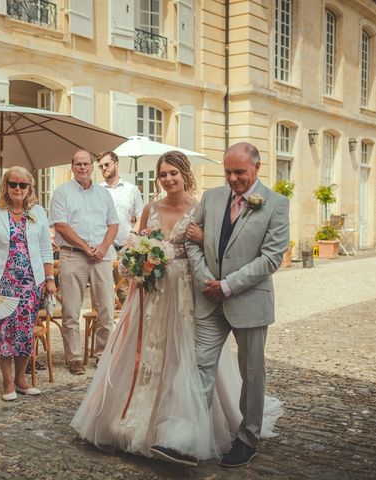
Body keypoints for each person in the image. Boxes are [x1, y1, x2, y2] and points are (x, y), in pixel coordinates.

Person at [72, 151, 259, 465]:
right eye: (163, 174)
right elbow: (137, 242)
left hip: (187, 292)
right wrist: (138, 261)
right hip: (152, 294)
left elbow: (216, 252)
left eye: (174, 173)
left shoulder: (201, 208)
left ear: (185, 174)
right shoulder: (149, 208)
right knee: (147, 351)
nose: (169, 179)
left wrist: (202, 238)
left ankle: (179, 429)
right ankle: (134, 420)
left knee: (184, 354)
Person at [186, 142, 289, 468]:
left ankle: (248, 438)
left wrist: (227, 286)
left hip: (249, 302)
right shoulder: (212, 197)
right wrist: (207, 282)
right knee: (200, 367)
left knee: (251, 373)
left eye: (240, 172)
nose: (233, 178)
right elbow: (193, 240)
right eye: (228, 171)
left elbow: (271, 258)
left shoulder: (276, 204)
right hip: (208, 301)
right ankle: (192, 435)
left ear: (257, 168)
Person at [0, 166, 55, 401]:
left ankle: (22, 379)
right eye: (13, 184)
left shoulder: (38, 212)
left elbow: (45, 248)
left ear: (30, 187)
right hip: (3, 282)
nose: (18, 189)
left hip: (31, 283)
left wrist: (49, 279)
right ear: (6, 186)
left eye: (23, 185)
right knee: (2, 332)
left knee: (24, 332)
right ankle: (8, 382)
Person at [49, 150, 119, 375]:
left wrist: (103, 248)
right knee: (71, 311)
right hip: (72, 256)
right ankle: (75, 358)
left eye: (86, 164)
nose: (82, 167)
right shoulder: (62, 193)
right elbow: (61, 226)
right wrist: (85, 247)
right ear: (72, 167)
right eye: (78, 164)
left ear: (92, 166)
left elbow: (113, 225)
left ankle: (103, 355)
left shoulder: (103, 194)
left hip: (101, 257)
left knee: (106, 309)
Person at [97, 151, 143, 304]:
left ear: (116, 163)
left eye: (107, 164)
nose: (104, 168)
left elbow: (142, 216)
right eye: (101, 166)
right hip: (103, 248)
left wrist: (132, 234)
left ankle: (128, 327)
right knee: (103, 292)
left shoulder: (132, 189)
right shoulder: (96, 190)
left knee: (126, 292)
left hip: (125, 246)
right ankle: (107, 327)